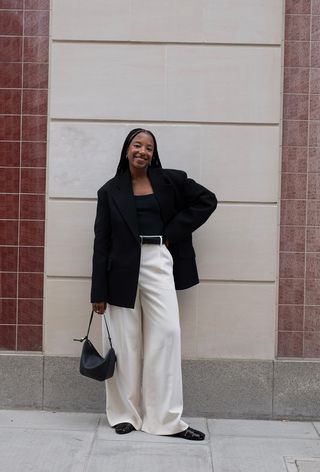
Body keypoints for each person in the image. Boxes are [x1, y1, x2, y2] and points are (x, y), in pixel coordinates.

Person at [91, 128, 217, 440]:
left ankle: (166, 420)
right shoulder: (109, 191)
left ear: (153, 153)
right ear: (127, 149)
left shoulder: (170, 180)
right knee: (125, 344)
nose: (142, 151)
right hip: (119, 270)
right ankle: (124, 415)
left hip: (158, 260)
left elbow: (207, 201)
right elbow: (101, 243)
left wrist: (172, 232)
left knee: (167, 335)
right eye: (137, 145)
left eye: (149, 147)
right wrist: (98, 291)